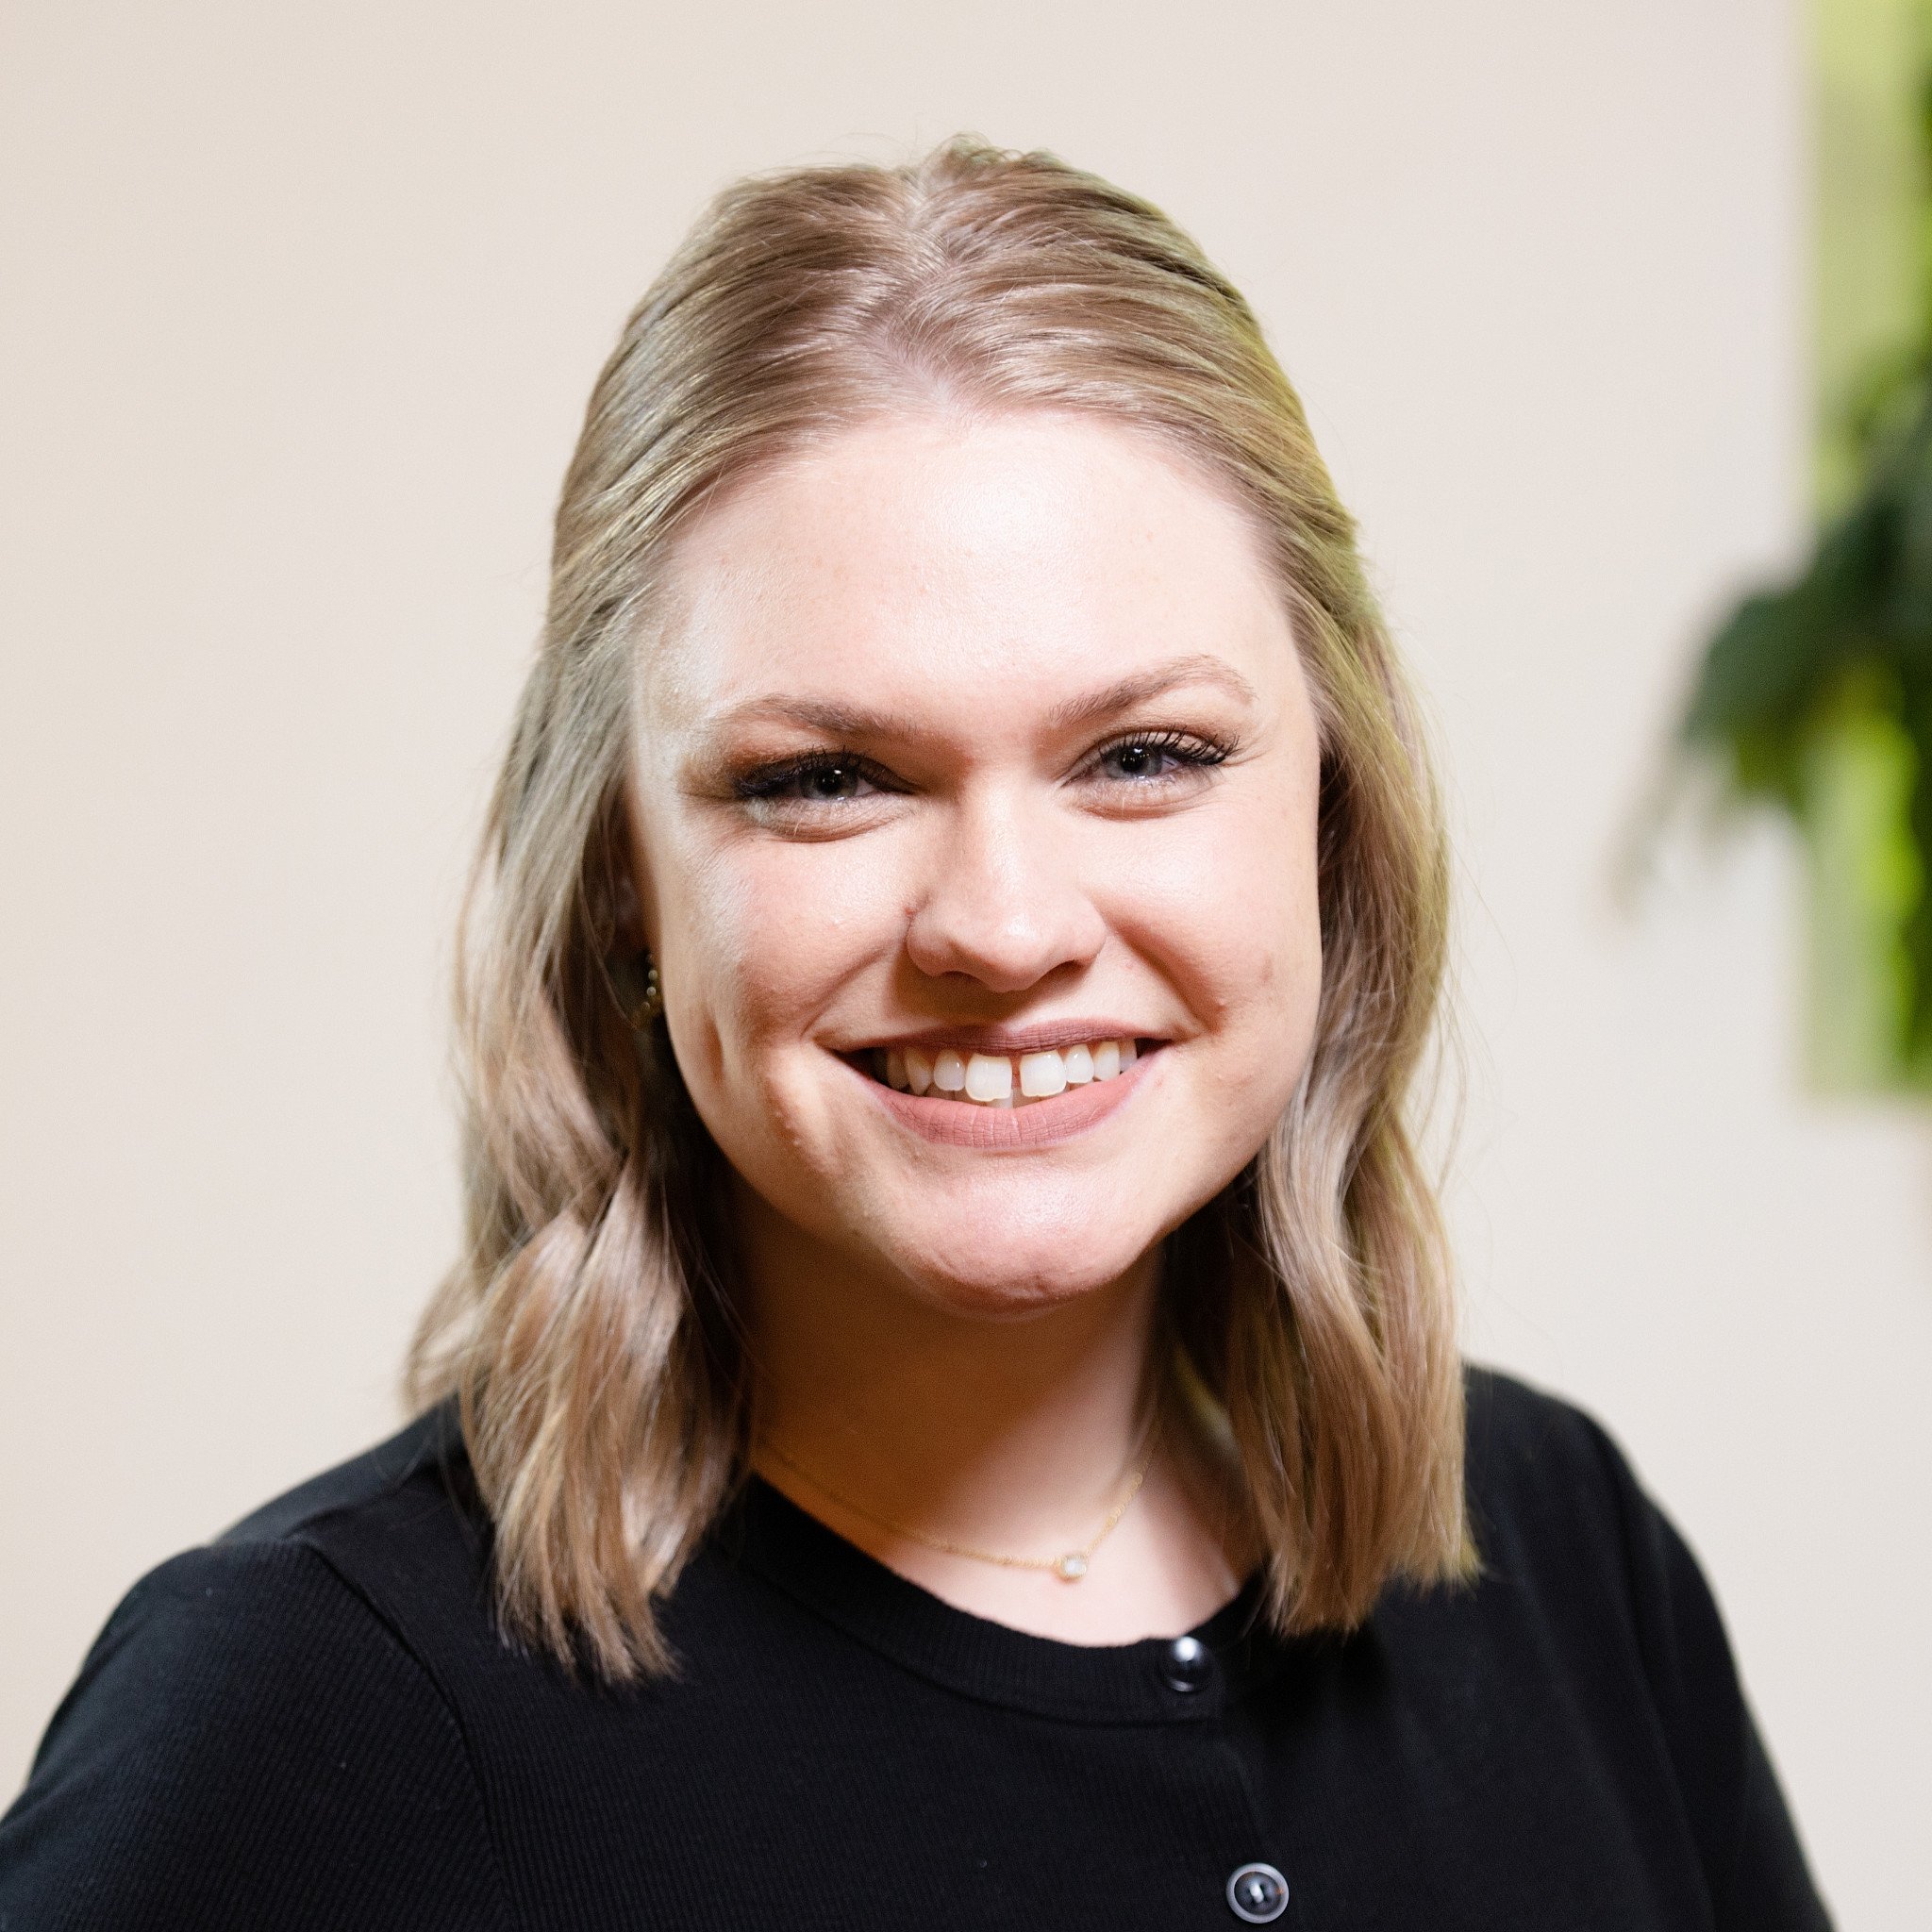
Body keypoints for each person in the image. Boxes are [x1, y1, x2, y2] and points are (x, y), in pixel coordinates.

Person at [0, 137, 1829, 1929]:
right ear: (624, 873)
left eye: (1144, 756)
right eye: (826, 778)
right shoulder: (303, 1715)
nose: (1005, 926)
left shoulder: (1555, 1543)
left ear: (1335, 819)